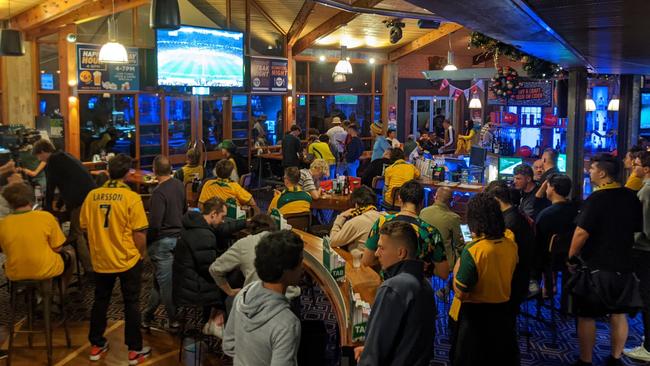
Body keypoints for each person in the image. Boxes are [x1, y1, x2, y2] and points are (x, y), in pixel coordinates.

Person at [568, 153, 643, 366]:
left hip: (596, 267)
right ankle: (616, 357)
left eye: (591, 169)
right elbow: (636, 229)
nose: (588, 171)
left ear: (602, 172)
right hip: (625, 264)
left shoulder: (597, 199)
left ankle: (585, 360)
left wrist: (571, 257)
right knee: (619, 314)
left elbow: (581, 232)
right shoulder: (630, 196)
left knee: (587, 315)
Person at [79, 154, 151, 364]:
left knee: (100, 301)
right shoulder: (131, 198)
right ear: (128, 174)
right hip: (127, 258)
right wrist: (141, 254)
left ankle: (96, 345)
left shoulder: (92, 195)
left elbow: (84, 227)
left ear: (107, 170)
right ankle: (134, 350)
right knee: (132, 303)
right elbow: (139, 233)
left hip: (101, 259)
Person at [450, 193, 519, 366]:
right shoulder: (510, 244)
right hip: (503, 313)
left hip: (475, 319)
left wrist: (460, 259)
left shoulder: (474, 250)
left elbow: (461, 292)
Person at [354, 221, 436, 366]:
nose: (377, 253)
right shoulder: (427, 286)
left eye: (381, 248)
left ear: (401, 253)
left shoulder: (392, 288)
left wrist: (369, 354)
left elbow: (374, 355)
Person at [223, 230, 303, 365]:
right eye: (300, 262)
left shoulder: (244, 294)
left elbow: (228, 345)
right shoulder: (287, 323)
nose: (303, 269)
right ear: (286, 270)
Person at [173, 197, 247, 338]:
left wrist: (246, 223)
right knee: (236, 277)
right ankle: (217, 321)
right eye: (222, 217)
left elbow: (206, 259)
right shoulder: (204, 235)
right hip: (193, 287)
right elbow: (210, 271)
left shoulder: (194, 224)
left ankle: (211, 319)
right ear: (213, 214)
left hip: (184, 281)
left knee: (228, 275)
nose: (223, 221)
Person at [33, 139, 96, 275]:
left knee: (76, 234)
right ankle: (95, 262)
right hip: (91, 196)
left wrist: (47, 209)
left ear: (43, 152)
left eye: (38, 156)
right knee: (86, 231)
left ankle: (90, 269)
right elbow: (66, 182)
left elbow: (51, 186)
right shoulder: (66, 156)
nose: (39, 160)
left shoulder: (52, 162)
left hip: (80, 199)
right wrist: (61, 204)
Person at [362, 180, 449, 279]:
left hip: (386, 286)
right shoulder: (431, 232)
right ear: (422, 202)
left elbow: (366, 261)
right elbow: (444, 273)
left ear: (399, 199)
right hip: (417, 289)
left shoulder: (382, 223)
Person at [0, 182, 76, 286]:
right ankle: (60, 291)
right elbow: (57, 248)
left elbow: (4, 250)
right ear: (30, 198)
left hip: (15, 272)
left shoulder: (3, 223)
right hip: (45, 269)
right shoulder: (46, 217)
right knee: (70, 255)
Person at [142, 156, 186, 330]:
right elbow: (184, 210)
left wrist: (147, 244)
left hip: (162, 244)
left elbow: (154, 225)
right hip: (178, 239)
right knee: (160, 282)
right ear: (171, 169)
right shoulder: (179, 185)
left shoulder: (159, 193)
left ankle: (173, 319)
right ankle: (147, 315)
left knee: (165, 285)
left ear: (154, 170)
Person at [485, 180, 535, 305]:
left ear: (496, 200)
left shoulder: (509, 223)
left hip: (513, 279)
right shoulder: (515, 214)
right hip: (521, 273)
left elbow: (500, 255)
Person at [534, 174, 578, 305]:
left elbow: (538, 243)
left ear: (552, 188)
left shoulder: (546, 215)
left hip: (549, 261)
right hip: (571, 257)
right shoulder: (576, 210)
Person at [209, 214, 276, 298]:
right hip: (287, 300)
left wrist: (230, 292)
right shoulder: (285, 242)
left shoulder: (244, 243)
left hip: (256, 299)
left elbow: (215, 269)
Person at [625, 151, 650, 361]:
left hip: (645, 252)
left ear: (646, 169)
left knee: (647, 296)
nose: (633, 170)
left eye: (636, 166)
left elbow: (645, 229)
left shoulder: (647, 190)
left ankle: (648, 347)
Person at [419, 186, 463, 264]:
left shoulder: (423, 211)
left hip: (424, 260)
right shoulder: (454, 218)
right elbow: (459, 245)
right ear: (451, 201)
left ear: (435, 197)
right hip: (445, 263)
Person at [330, 186, 382, 251]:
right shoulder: (383, 216)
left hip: (357, 259)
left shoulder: (355, 222)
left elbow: (332, 241)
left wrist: (341, 217)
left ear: (356, 205)